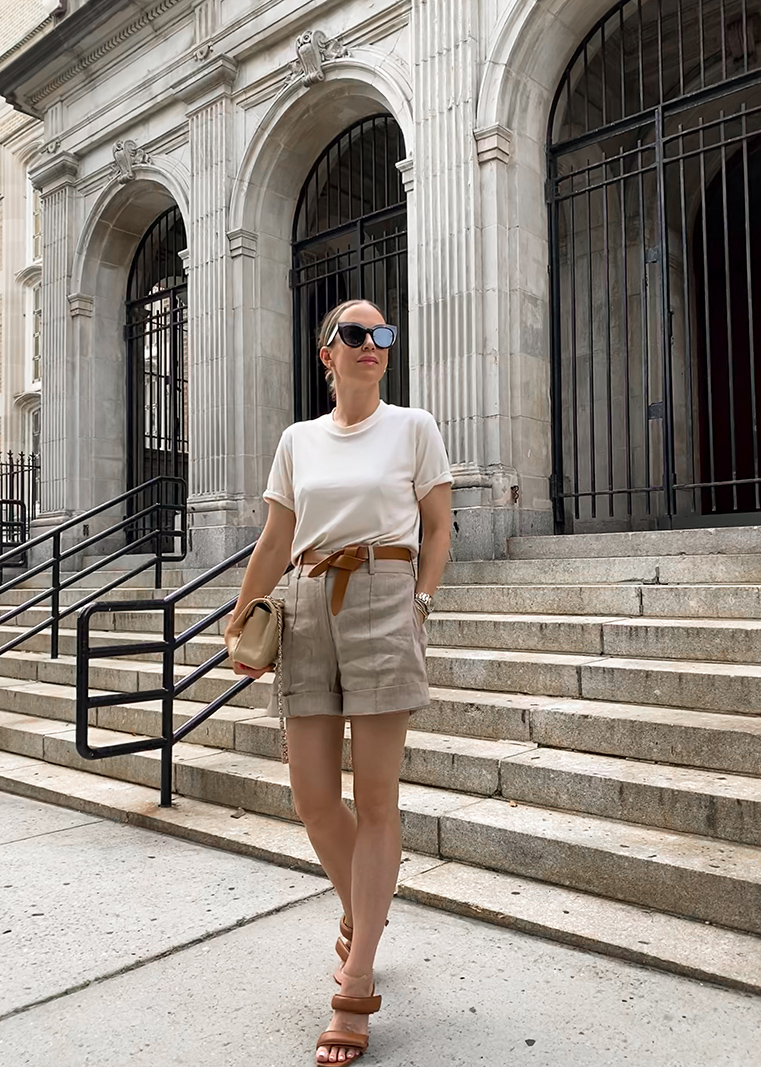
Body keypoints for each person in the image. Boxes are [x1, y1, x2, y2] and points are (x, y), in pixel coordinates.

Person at [224, 299, 453, 1064]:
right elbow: (275, 537)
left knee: (377, 794)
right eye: (355, 334)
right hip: (305, 603)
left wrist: (419, 603)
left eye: (382, 334)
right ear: (327, 354)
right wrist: (239, 619)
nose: (372, 344)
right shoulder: (299, 441)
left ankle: (355, 985)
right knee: (314, 795)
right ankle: (366, 903)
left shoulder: (414, 427)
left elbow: (439, 527)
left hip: (386, 594)